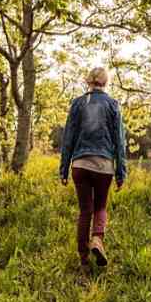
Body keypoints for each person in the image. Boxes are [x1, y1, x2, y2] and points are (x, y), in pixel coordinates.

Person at [59, 66, 127, 267]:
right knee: (100, 207)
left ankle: (83, 258)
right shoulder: (113, 104)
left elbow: (68, 138)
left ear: (88, 81)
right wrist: (121, 172)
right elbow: (119, 141)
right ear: (105, 82)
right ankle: (97, 238)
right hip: (103, 164)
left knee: (84, 211)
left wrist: (63, 169)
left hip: (80, 163)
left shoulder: (78, 103)